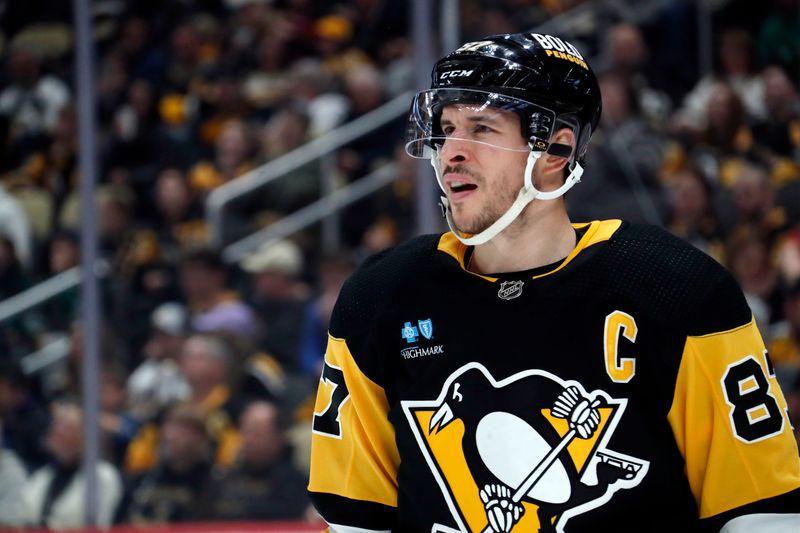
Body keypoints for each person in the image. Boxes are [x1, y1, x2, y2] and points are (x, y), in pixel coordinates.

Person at [307, 32, 800, 532]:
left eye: (481, 129)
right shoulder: (380, 298)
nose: (450, 152)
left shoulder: (676, 289)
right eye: (446, 127)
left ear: (556, 149)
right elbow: (358, 519)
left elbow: (760, 511)